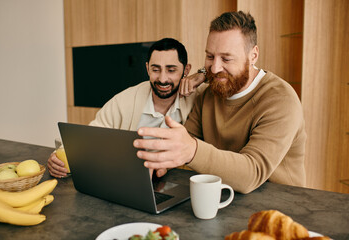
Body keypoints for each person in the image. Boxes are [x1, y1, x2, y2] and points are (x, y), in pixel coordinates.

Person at [133, 11, 307, 194]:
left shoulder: (280, 100)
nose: (215, 68)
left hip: (279, 208)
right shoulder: (209, 94)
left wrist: (192, 150)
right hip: (224, 200)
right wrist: (158, 163)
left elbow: (251, 174)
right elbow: (183, 143)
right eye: (210, 56)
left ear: (253, 56)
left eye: (226, 58)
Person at [47, 38, 207, 178]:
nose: (163, 78)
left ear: (186, 70)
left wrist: (202, 74)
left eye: (171, 70)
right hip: (128, 181)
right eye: (155, 69)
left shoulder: (199, 96)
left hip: (179, 183)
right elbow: (92, 136)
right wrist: (59, 155)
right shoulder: (125, 100)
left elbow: (226, 78)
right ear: (147, 68)